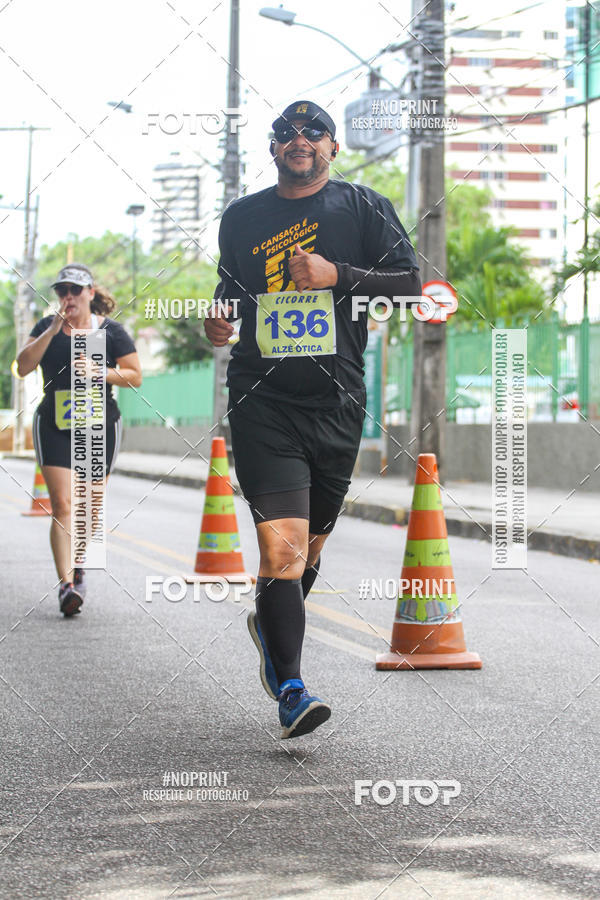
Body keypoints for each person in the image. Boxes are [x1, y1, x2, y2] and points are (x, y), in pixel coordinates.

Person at [205, 100, 421, 739]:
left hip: (337, 403)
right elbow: (228, 295)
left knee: (309, 550)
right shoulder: (242, 217)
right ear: (272, 150)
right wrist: (217, 321)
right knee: (285, 546)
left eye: (312, 132)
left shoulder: (363, 207)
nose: (299, 141)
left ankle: (270, 623)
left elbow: (416, 288)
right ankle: (292, 689)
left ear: (333, 146)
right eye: (285, 134)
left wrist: (338, 275)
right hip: (262, 401)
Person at [17, 263, 142, 617]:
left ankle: (79, 561)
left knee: (87, 507)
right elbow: (23, 365)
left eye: (75, 290)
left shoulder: (111, 331)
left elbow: (135, 375)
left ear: (90, 292)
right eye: (62, 291)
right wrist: (53, 330)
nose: (68, 297)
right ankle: (67, 584)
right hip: (55, 423)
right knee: (62, 503)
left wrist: (101, 372)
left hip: (99, 426)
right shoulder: (46, 327)